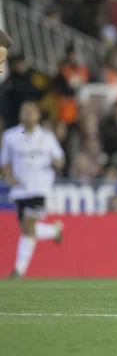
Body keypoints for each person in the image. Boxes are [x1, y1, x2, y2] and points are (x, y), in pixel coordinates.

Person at [1, 101, 65, 279]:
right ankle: (54, 231)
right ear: (20, 115)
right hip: (20, 189)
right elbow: (4, 162)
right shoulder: (10, 136)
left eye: (32, 112)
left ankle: (19, 270)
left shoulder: (47, 137)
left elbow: (59, 158)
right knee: (27, 229)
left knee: (29, 224)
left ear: (37, 115)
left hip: (40, 186)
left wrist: (55, 163)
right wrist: (8, 177)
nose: (28, 116)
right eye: (25, 112)